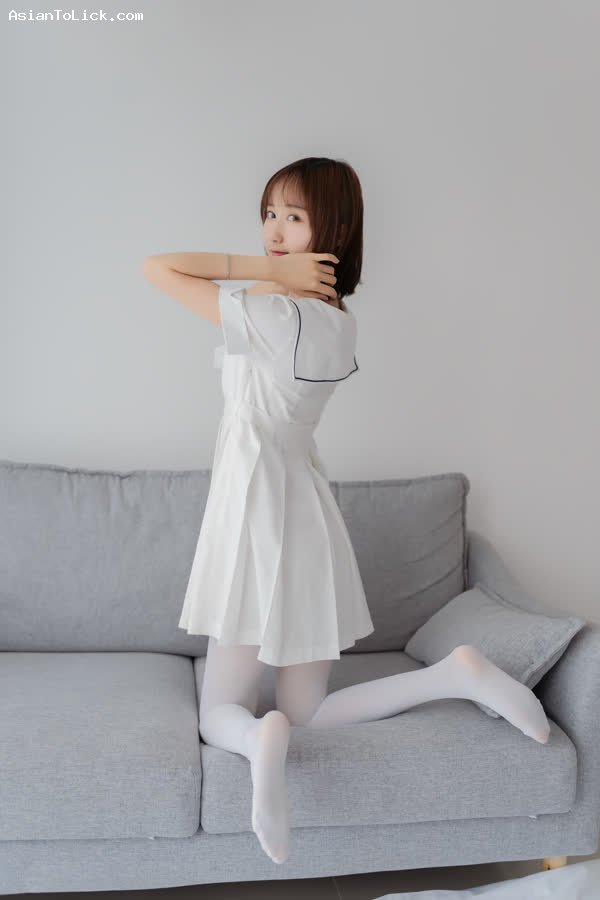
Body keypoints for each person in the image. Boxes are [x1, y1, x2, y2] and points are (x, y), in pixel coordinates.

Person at [144, 157, 550, 867]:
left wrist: (262, 272)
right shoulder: (338, 322)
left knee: (218, 714)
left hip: (251, 517)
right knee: (311, 713)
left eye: (293, 217)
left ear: (330, 229)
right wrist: (278, 274)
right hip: (305, 515)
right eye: (269, 214)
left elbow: (157, 269)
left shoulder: (271, 314)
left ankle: (256, 738)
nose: (274, 231)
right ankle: (454, 675)